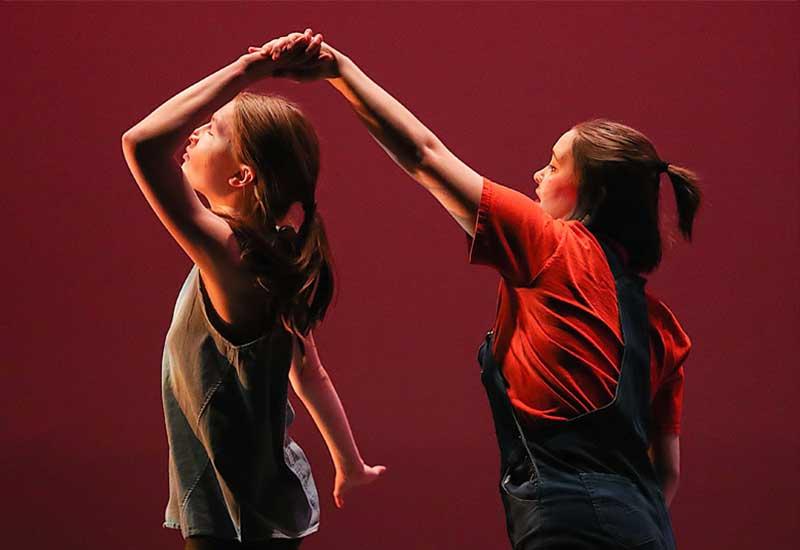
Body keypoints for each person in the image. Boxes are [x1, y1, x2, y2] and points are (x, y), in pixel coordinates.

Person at [263, 30, 699, 549]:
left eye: (555, 164)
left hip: (571, 524)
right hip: (648, 528)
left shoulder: (551, 244)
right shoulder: (665, 329)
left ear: (590, 192)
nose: (538, 175)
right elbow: (665, 473)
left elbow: (425, 156)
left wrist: (339, 71)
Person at [121, 33, 385, 550]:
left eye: (213, 128)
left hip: (235, 510)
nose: (194, 134)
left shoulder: (230, 257)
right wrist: (348, 464)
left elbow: (142, 144)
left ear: (242, 175)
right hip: (265, 499)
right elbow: (310, 372)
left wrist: (249, 70)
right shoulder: (271, 254)